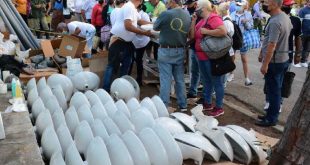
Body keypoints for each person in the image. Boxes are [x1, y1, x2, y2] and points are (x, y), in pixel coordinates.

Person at [102, 0, 153, 92]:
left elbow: (140, 21)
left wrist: (154, 24)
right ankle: (105, 90)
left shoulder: (132, 8)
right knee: (112, 65)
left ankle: (121, 89)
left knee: (126, 66)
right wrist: (144, 33)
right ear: (141, 1)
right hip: (118, 40)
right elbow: (128, 26)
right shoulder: (129, 6)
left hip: (127, 42)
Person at [256, 0, 292, 127]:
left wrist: (265, 64)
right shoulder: (284, 17)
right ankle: (270, 114)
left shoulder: (276, 21)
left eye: (266, 2)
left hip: (275, 62)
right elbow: (268, 40)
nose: (264, 4)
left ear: (275, 4)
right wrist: (262, 52)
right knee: (275, 90)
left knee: (274, 91)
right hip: (282, 59)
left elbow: (272, 44)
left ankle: (271, 119)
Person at [190, 0, 227, 116]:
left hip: (211, 56)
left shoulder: (213, 18)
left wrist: (207, 31)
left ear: (204, 8)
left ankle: (219, 107)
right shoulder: (201, 20)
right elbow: (193, 35)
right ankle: (208, 102)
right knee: (206, 80)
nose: (196, 8)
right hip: (202, 55)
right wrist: (193, 21)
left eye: (198, 7)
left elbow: (223, 31)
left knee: (217, 81)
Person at [154, 0, 191, 112]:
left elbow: (155, 27)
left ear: (172, 2)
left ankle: (164, 106)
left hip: (166, 50)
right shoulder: (187, 14)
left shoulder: (166, 13)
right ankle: (183, 104)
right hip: (180, 49)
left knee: (165, 79)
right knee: (179, 79)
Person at [230, 0, 254, 86]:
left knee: (244, 59)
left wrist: (246, 22)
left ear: (244, 6)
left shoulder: (248, 15)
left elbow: (251, 27)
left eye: (240, 5)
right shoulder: (232, 14)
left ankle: (247, 78)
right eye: (237, 4)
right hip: (234, 39)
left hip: (243, 39)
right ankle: (231, 74)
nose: (238, 6)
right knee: (232, 57)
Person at [184, 0, 203, 103]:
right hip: (193, 47)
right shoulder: (193, 14)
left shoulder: (203, 17)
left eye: (189, 4)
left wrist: (186, 43)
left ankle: (205, 96)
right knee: (194, 71)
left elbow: (194, 35)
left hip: (200, 48)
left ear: (196, 4)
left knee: (202, 72)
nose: (188, 6)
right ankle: (192, 92)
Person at [129, 4, 151, 85]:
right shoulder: (133, 14)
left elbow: (148, 27)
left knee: (138, 60)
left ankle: (139, 79)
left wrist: (137, 29)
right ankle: (128, 78)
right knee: (132, 59)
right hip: (134, 39)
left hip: (142, 40)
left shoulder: (144, 15)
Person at [218, 2, 235, 87]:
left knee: (223, 69)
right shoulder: (227, 20)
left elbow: (224, 36)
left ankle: (222, 85)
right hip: (227, 48)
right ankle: (222, 84)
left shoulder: (226, 22)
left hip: (225, 48)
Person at [297, 0, 310, 68]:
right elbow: (299, 21)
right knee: (300, 47)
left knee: (307, 48)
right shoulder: (303, 10)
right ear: (307, 2)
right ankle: (296, 61)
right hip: (303, 33)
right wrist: (300, 31)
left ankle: (303, 61)